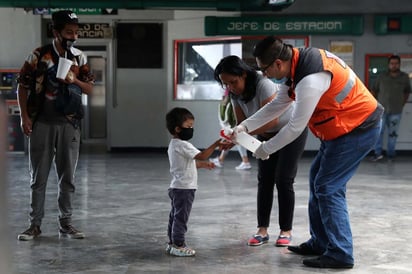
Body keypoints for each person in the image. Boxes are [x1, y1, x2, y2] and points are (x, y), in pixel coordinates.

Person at [232, 36, 383, 268]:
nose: (264, 75)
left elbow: (294, 126)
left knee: (328, 188)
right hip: (342, 129)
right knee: (317, 180)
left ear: (278, 64)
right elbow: (277, 105)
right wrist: (245, 126)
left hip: (358, 128)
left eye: (265, 69)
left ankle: (341, 253)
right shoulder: (296, 67)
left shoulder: (309, 79)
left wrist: (265, 148)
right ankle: (321, 242)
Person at [16, 10, 95, 241]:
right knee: (38, 178)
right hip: (42, 122)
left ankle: (66, 224)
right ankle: (34, 225)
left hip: (69, 124)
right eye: (69, 32)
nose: (74, 36)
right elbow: (22, 85)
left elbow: (90, 88)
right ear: (56, 31)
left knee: (67, 177)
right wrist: (24, 117)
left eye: (76, 32)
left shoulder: (79, 57)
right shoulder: (39, 55)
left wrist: (75, 80)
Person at [214, 55, 307, 247]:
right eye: (226, 84)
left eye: (233, 82)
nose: (231, 87)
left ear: (244, 75)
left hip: (290, 132)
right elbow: (241, 124)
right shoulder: (234, 93)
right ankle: (262, 230)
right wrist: (233, 139)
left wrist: (239, 134)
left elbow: (270, 120)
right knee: (264, 181)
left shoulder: (263, 83)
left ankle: (286, 231)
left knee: (284, 179)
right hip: (265, 135)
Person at [165, 107, 223, 257]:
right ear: (178, 129)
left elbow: (188, 164)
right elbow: (202, 155)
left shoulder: (173, 145)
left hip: (176, 187)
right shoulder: (184, 145)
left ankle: (172, 243)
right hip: (185, 189)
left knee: (175, 215)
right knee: (181, 217)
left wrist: (204, 165)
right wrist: (216, 144)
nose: (191, 129)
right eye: (189, 126)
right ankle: (179, 244)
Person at [370, 55, 411, 161]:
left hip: (396, 110)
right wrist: (375, 104)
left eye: (396, 63)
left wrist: (402, 103)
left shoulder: (404, 77)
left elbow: (407, 92)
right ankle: (377, 153)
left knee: (393, 134)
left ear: (399, 64)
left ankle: (390, 155)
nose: (394, 65)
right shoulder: (382, 76)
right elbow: (374, 90)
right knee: (378, 132)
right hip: (381, 110)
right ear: (389, 65)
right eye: (392, 63)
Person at [210, 88, 251, 170]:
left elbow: (226, 98)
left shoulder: (232, 96)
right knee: (232, 138)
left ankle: (245, 161)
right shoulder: (230, 91)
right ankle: (221, 159)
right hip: (232, 119)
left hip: (233, 121)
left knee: (236, 138)